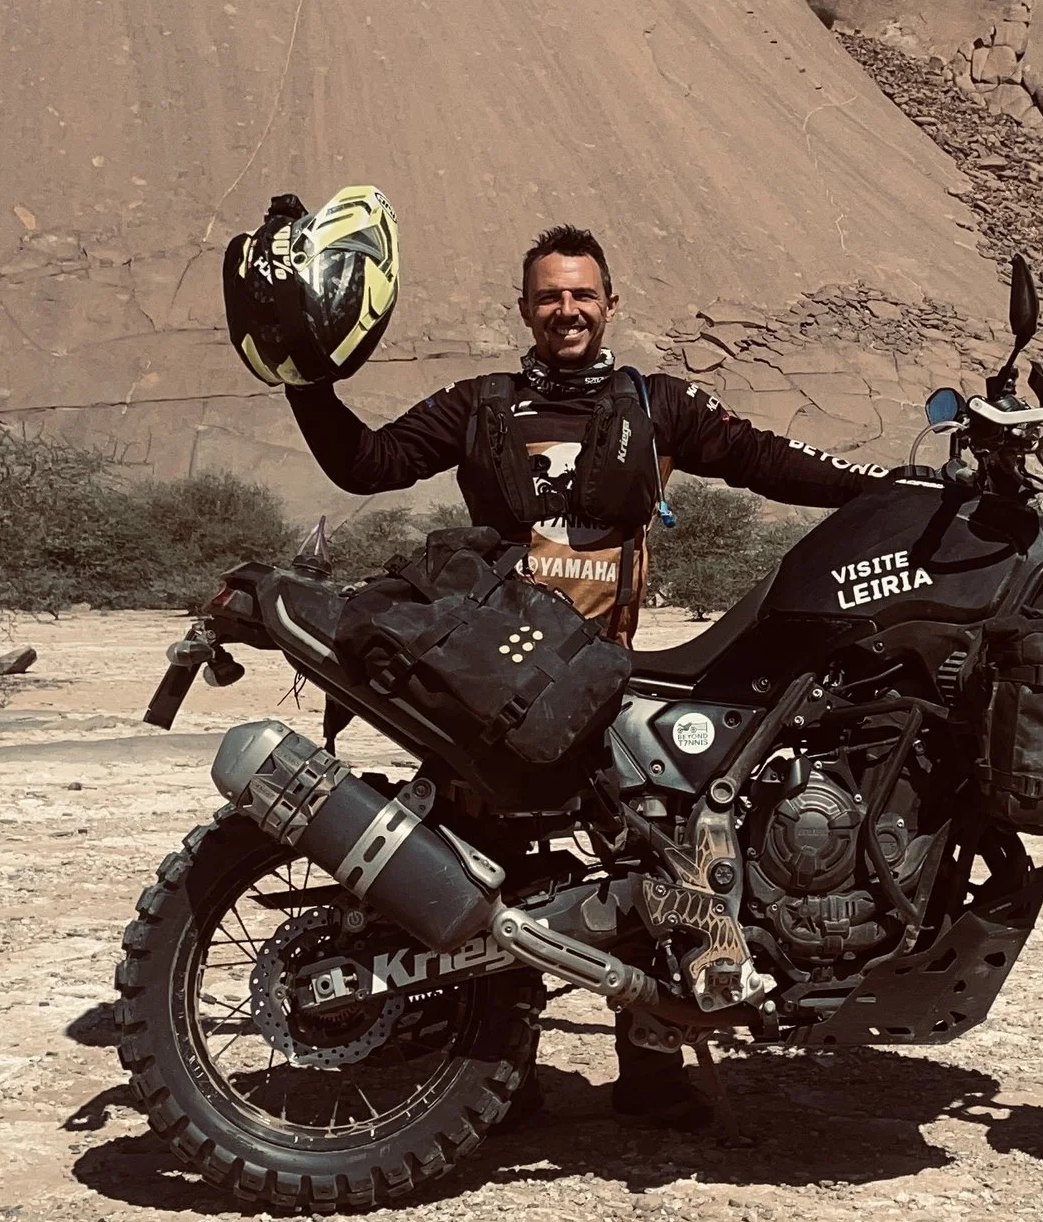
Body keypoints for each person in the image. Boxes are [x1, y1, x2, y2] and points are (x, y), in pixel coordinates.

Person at [284, 221, 890, 1124]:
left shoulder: (657, 404)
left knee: (650, 854)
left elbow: (768, 461)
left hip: (609, 678)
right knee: (488, 867)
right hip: (489, 678)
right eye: (548, 296)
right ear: (523, 308)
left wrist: (886, 486)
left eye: (581, 294)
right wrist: (305, 381)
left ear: (610, 303)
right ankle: (490, 1071)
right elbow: (369, 462)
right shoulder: (481, 404)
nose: (565, 309)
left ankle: (649, 1069)